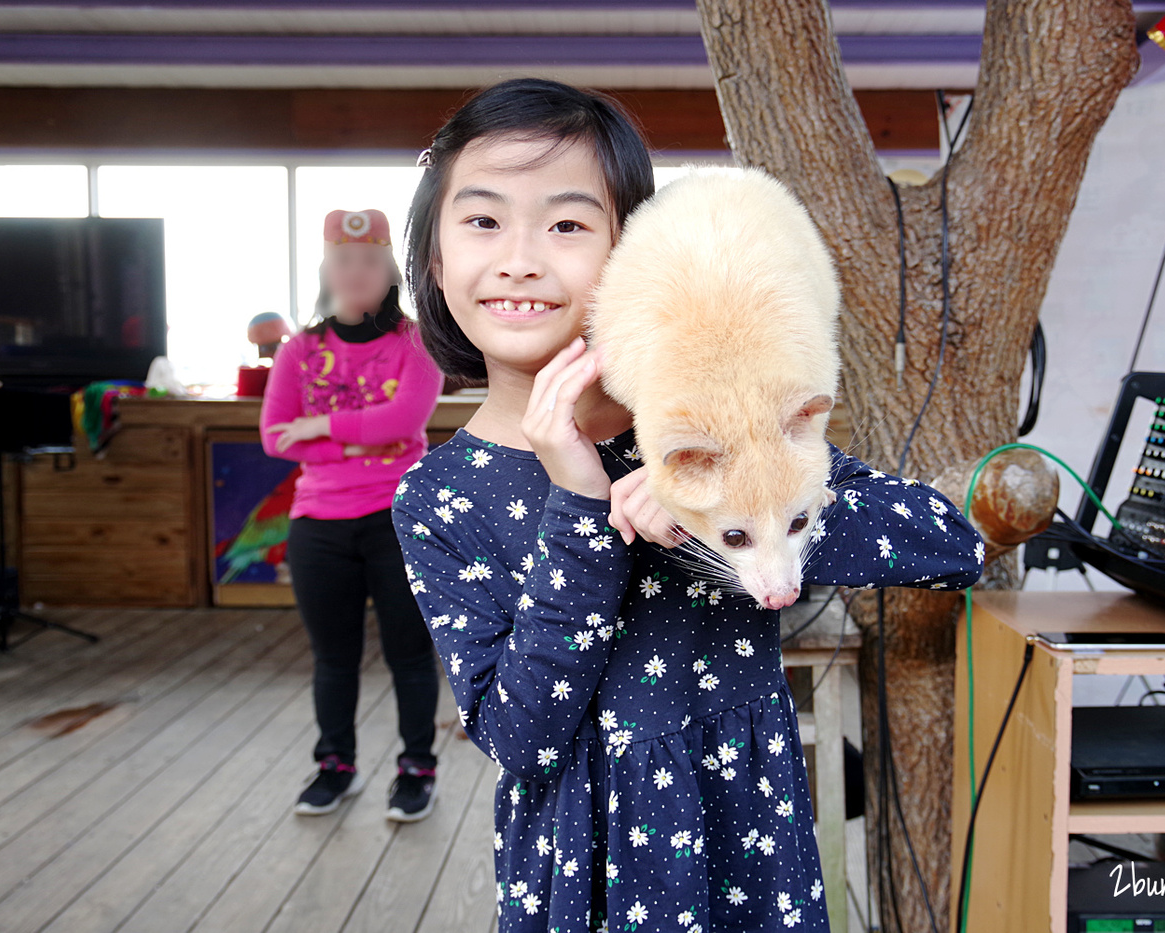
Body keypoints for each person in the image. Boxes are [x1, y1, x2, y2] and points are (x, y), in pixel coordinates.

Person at [391, 78, 985, 932]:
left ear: (629, 253)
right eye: (483, 220)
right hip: (581, 868)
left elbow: (948, 541)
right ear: (437, 260)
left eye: (566, 224)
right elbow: (521, 739)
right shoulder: (439, 494)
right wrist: (581, 507)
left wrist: (749, 522)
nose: (520, 257)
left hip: (745, 841)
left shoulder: (721, 427)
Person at [261, 208, 445, 822]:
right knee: (333, 657)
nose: (357, 271)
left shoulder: (415, 342)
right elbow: (272, 437)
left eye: (370, 260)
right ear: (326, 269)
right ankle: (335, 765)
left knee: (409, 653)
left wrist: (318, 425)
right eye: (344, 259)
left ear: (390, 270)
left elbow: (404, 423)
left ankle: (417, 768)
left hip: (397, 516)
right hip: (318, 523)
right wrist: (358, 438)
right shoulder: (298, 351)